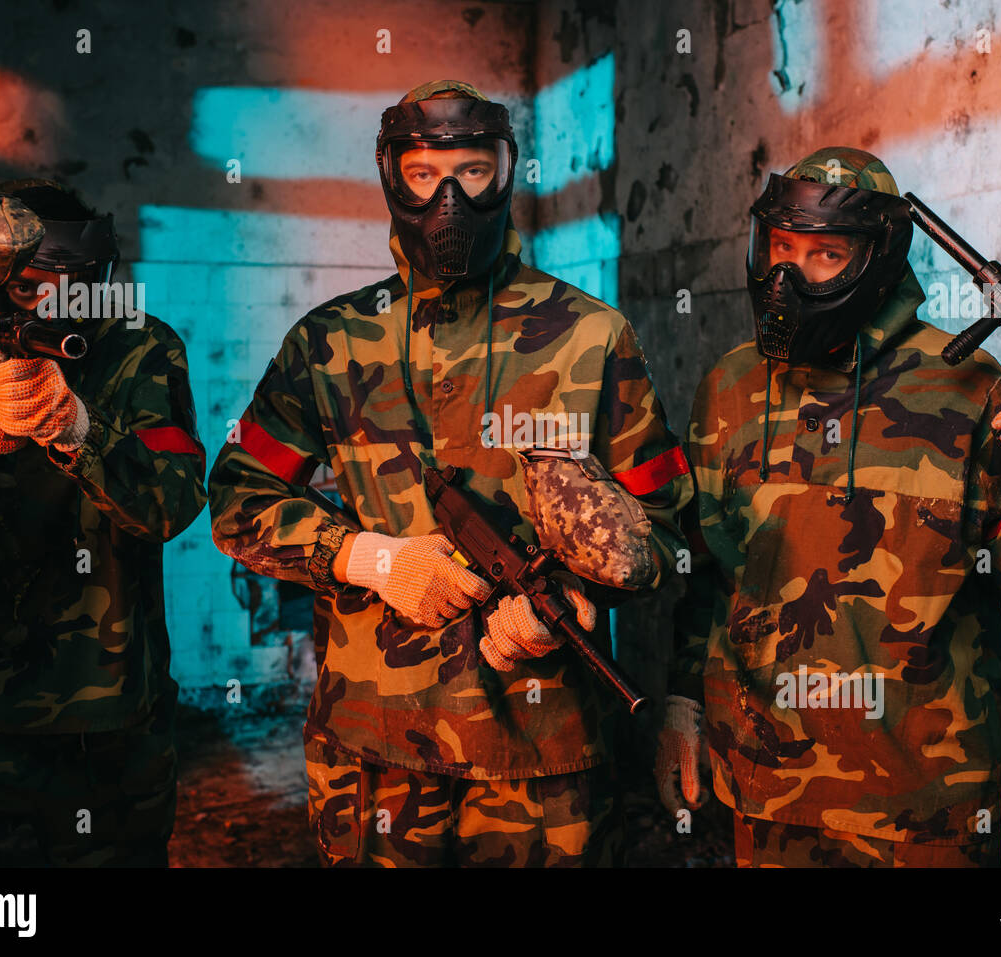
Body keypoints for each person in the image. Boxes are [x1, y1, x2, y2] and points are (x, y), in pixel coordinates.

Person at [209, 80, 692, 867]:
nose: (450, 199)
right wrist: (371, 558)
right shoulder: (330, 341)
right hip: (374, 750)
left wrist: (576, 599)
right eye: (425, 173)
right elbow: (236, 501)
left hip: (539, 757)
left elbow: (665, 526)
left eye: (473, 171)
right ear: (390, 178)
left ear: (507, 174)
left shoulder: (591, 337)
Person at [656, 147, 1001, 867]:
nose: (788, 277)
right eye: (780, 248)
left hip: (925, 806)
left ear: (878, 258)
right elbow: (708, 572)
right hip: (763, 789)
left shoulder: (967, 385)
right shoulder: (731, 386)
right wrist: (681, 699)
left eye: (824, 255)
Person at [0, 180, 206, 866]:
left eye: (80, 284)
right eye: (36, 285)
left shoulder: (139, 349)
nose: (62, 307)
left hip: (110, 732)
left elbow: (173, 502)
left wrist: (79, 428)